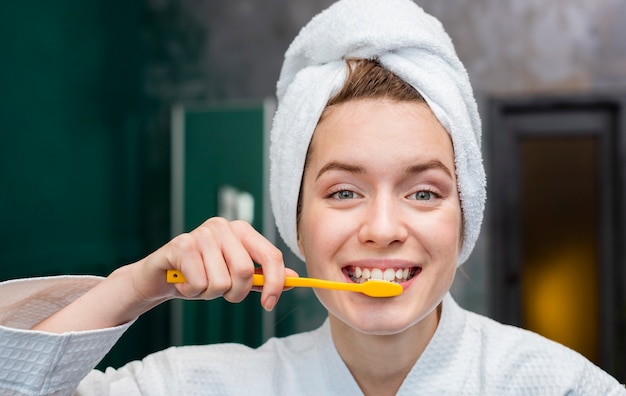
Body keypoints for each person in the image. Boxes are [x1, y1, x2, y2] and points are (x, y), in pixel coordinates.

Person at [0, 0, 623, 395]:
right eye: (345, 191)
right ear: (295, 220)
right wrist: (139, 284)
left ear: (466, 217)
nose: (383, 227)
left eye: (424, 191)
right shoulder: (209, 386)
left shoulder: (558, 387)